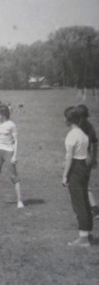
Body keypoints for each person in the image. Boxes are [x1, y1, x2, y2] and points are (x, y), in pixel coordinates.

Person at [62, 106, 92, 247]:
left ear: (69, 120)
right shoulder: (82, 133)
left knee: (78, 203)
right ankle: (87, 233)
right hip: (84, 168)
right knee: (84, 200)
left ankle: (83, 239)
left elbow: (69, 157)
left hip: (76, 168)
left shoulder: (72, 135)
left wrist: (64, 175)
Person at [75, 104, 98, 219]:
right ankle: (91, 208)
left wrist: (94, 158)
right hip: (86, 157)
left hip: (83, 158)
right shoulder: (89, 126)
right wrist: (94, 157)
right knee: (84, 184)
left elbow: (93, 142)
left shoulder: (84, 127)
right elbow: (95, 142)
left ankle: (90, 209)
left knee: (82, 185)